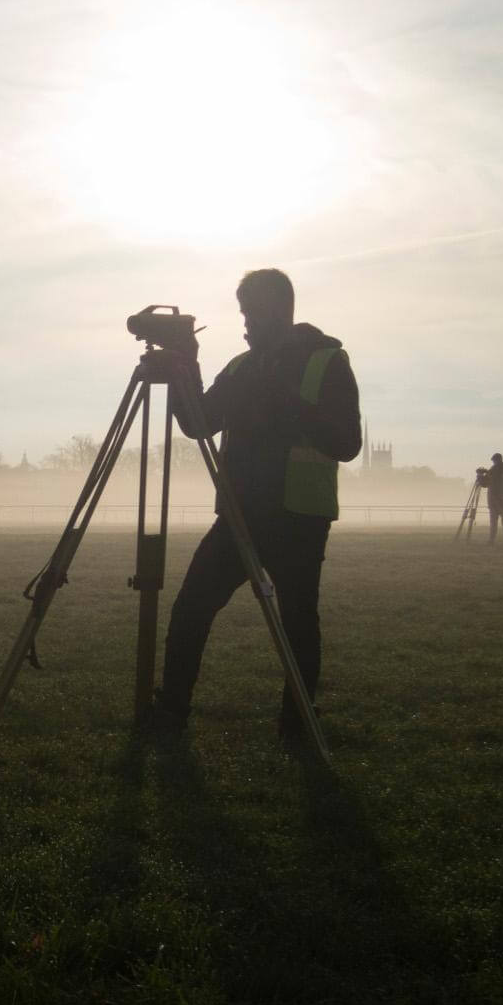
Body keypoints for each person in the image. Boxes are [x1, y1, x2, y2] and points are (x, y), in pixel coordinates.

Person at [149, 268, 361, 745]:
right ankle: (172, 710)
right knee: (191, 609)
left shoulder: (328, 360)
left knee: (298, 623)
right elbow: (198, 423)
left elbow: (347, 443)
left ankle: (297, 724)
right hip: (240, 515)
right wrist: (188, 363)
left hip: (299, 518)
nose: (244, 321)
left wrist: (287, 405)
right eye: (242, 311)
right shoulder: (242, 367)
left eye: (251, 311)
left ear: (278, 309)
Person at [479, 452, 503, 544]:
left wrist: (480, 477)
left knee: (494, 522)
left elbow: (485, 484)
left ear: (495, 460)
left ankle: (492, 540)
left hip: (494, 500)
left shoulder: (493, 471)